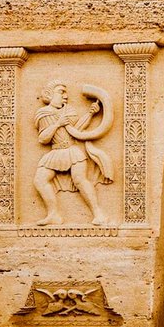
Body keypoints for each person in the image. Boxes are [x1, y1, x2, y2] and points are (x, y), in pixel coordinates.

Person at [33, 80, 113, 226]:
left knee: (80, 180)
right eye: (61, 92)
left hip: (72, 152)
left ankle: (98, 214)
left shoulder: (68, 111)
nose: (65, 96)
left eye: (66, 92)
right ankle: (53, 214)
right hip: (55, 152)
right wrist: (58, 124)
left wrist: (90, 114)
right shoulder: (43, 114)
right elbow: (43, 139)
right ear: (49, 94)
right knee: (40, 180)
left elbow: (76, 130)